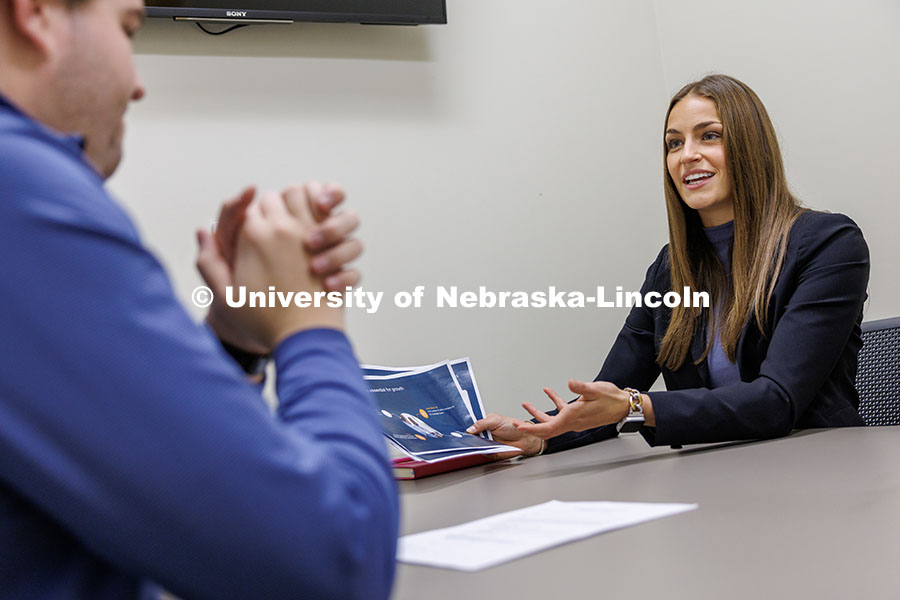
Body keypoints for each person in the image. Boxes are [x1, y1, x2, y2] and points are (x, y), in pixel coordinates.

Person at [0, 0, 398, 599]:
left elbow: (150, 492)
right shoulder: (19, 188)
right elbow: (337, 560)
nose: (137, 85)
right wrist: (310, 327)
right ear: (37, 15)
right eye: (128, 28)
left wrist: (234, 347)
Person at [468, 74, 870, 455]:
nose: (687, 155)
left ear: (752, 148)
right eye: (673, 144)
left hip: (819, 467)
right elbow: (612, 395)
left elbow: (778, 400)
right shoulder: (670, 269)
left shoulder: (829, 244)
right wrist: (536, 435)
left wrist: (637, 406)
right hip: (713, 474)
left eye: (709, 136)